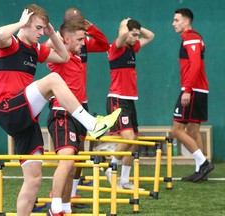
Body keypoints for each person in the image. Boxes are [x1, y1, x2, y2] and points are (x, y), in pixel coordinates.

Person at [0, 4, 121, 216]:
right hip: (8, 109)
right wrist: (20, 24)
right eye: (38, 28)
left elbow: (63, 57)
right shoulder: (12, 43)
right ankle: (92, 123)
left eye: (44, 28)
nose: (40, 33)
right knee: (53, 79)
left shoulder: (37, 49)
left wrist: (52, 34)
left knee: (34, 179)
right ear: (25, 24)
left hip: (27, 119)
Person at [45, 20, 121, 215]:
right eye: (80, 39)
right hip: (61, 113)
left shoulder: (77, 57)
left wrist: (91, 28)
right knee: (67, 161)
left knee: (72, 165)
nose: (83, 43)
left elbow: (104, 45)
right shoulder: (58, 58)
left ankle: (65, 208)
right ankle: (54, 208)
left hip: (77, 114)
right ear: (67, 39)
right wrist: (56, 36)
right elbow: (47, 46)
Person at [62, 8, 110, 206]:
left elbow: (105, 44)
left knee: (80, 151)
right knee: (67, 154)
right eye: (78, 23)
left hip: (82, 103)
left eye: (82, 22)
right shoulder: (60, 44)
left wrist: (91, 28)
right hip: (64, 105)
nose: (82, 26)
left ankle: (72, 196)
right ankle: (59, 197)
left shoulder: (84, 43)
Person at [105, 18, 154, 190]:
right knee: (128, 138)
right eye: (133, 35)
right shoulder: (115, 48)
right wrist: (124, 24)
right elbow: (124, 34)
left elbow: (151, 36)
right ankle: (110, 169)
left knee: (134, 142)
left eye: (137, 35)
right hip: (117, 99)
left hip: (130, 100)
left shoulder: (133, 48)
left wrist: (137, 28)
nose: (136, 38)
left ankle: (125, 180)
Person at [171, 8, 214, 182]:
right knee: (193, 131)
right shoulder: (189, 38)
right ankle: (200, 171)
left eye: (176, 20)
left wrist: (187, 90)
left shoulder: (192, 37)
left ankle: (203, 163)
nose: (173, 23)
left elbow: (195, 66)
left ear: (186, 21)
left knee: (176, 131)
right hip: (197, 89)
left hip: (193, 89)